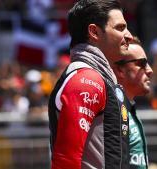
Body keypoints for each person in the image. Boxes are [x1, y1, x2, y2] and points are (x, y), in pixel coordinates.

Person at [48, 0, 133, 168]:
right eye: (120, 28)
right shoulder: (87, 80)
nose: (129, 35)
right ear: (94, 32)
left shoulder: (99, 78)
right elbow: (67, 159)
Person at [112, 36, 153, 169]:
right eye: (142, 63)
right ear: (120, 70)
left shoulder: (128, 108)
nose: (150, 70)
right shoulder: (110, 111)